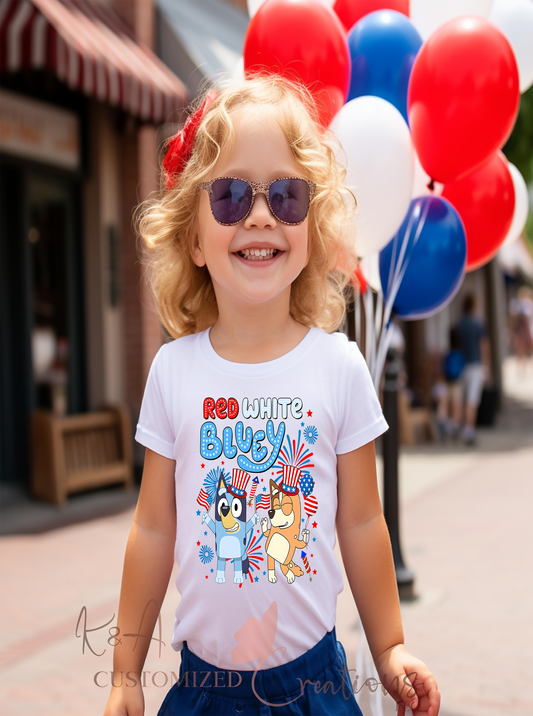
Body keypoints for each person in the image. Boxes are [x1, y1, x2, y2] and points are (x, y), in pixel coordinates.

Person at [103, 76, 440, 716]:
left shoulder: (339, 368)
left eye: (285, 196)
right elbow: (152, 529)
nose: (260, 215)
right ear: (193, 237)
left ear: (312, 228)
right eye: (230, 196)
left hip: (314, 686)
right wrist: (125, 673)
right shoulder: (173, 371)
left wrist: (390, 647)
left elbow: (362, 523)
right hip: (205, 691)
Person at [454, 294, 490, 445]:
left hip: (461, 365)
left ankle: (459, 427)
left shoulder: (459, 325)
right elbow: (483, 347)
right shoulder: (478, 324)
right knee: (472, 400)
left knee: (461, 399)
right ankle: (469, 431)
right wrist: (486, 366)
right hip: (475, 365)